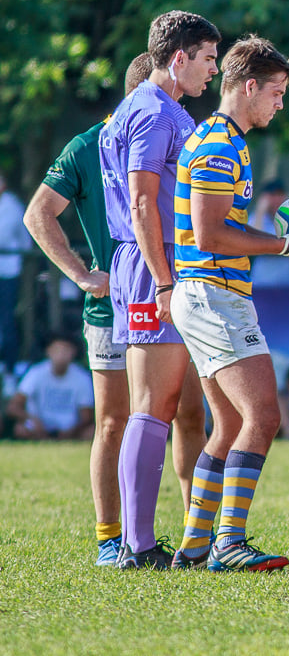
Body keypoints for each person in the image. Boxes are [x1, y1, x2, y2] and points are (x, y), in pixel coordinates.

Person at [22, 52, 207, 565]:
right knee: (115, 420)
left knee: (189, 414)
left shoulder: (172, 128)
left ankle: (197, 533)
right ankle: (113, 537)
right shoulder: (91, 143)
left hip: (169, 285)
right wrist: (82, 274)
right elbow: (38, 214)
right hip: (119, 299)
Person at [169, 35, 289, 572]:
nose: (280, 104)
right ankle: (229, 542)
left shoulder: (224, 139)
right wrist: (286, 245)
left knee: (230, 426)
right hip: (213, 294)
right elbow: (212, 235)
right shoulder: (217, 147)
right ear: (249, 86)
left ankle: (194, 543)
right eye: (276, 93)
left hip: (207, 294)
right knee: (263, 416)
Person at [99, 10, 221, 569]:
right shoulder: (152, 112)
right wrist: (166, 281)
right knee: (153, 407)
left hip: (160, 262)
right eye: (208, 60)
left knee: (170, 406)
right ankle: (136, 545)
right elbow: (145, 202)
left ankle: (153, 540)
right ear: (179, 58)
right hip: (156, 265)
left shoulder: (158, 110)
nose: (212, 73)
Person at [7, 333, 94, 441]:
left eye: (66, 350)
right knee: (20, 429)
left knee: (91, 432)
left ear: (74, 353)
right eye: (57, 350)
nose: (61, 355)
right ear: (48, 351)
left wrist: (72, 430)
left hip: (71, 430)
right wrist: (32, 420)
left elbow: (87, 416)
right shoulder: (36, 372)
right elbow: (13, 406)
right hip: (39, 427)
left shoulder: (82, 377)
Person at [248, 178, 289, 286]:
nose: (276, 199)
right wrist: (260, 211)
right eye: (272, 195)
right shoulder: (257, 218)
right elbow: (252, 240)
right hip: (263, 284)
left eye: (280, 194)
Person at [0, 174, 32, 369]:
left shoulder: (11, 205)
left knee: (7, 319)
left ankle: (9, 366)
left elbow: (15, 238)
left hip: (8, 271)